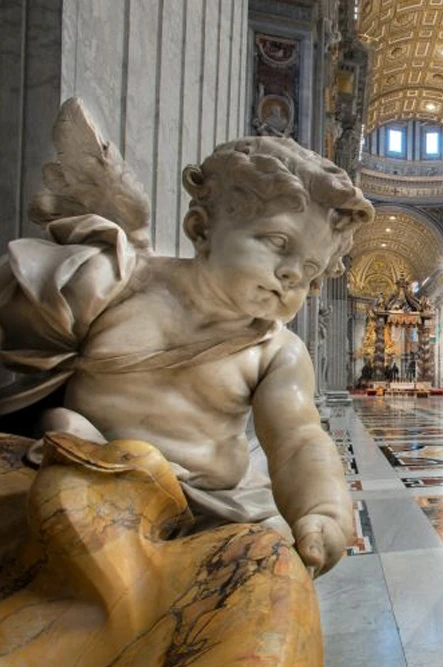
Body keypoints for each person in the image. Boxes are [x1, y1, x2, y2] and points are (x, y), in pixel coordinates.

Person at [0, 99, 373, 575]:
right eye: (278, 244)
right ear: (201, 228)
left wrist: (324, 508)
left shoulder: (277, 351)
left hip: (208, 510)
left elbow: (299, 438)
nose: (289, 276)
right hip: (87, 474)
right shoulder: (118, 284)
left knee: (268, 580)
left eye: (309, 271)